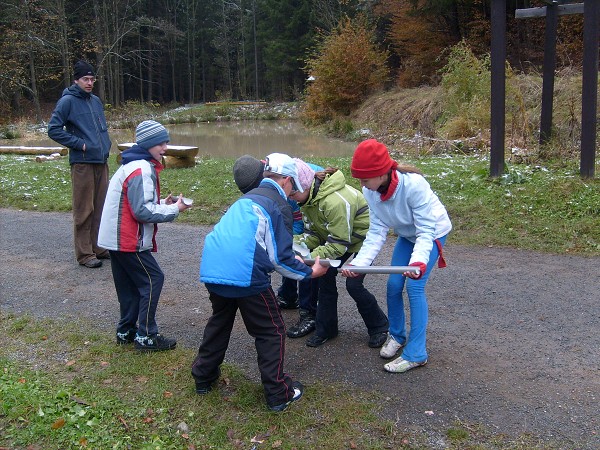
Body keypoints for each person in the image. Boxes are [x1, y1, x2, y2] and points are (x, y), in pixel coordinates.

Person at [192, 153, 327, 412]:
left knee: (220, 322)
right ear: (287, 180)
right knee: (271, 331)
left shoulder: (245, 199)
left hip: (214, 268)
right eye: (294, 186)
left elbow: (260, 240)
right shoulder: (279, 204)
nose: (293, 192)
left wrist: (289, 256)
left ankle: (203, 377)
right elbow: (281, 260)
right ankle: (278, 393)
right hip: (245, 275)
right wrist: (311, 273)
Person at [341, 139, 452, 373]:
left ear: (381, 173)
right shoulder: (370, 191)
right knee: (393, 286)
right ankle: (397, 336)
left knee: (414, 288)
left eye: (364, 179)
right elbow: (376, 231)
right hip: (407, 234)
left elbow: (425, 230)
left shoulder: (413, 185)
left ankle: (416, 354)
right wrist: (359, 264)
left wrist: (418, 262)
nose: (361, 184)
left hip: (431, 233)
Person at [98, 120, 191, 351]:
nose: (165, 148)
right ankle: (146, 335)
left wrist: (161, 203)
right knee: (153, 279)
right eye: (161, 143)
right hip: (128, 239)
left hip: (114, 238)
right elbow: (141, 211)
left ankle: (125, 330)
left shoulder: (131, 165)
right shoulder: (141, 169)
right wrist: (173, 209)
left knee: (128, 285)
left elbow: (135, 204)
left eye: (166, 142)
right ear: (148, 144)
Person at [290, 158, 389, 349]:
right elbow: (312, 234)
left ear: (305, 186)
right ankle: (327, 329)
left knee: (354, 284)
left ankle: (379, 327)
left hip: (362, 241)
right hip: (340, 238)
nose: (291, 197)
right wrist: (292, 244)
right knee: (323, 277)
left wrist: (309, 257)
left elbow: (338, 245)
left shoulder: (334, 202)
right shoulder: (309, 200)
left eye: (293, 192)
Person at [232, 155, 321, 339]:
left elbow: (296, 224)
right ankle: (288, 296)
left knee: (297, 255)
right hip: (297, 212)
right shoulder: (270, 179)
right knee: (284, 251)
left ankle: (309, 313)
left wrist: (285, 244)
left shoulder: (288, 186)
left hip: (315, 211)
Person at [48, 60, 112, 268]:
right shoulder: (67, 101)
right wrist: (80, 145)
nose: (89, 82)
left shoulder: (95, 101)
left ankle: (99, 247)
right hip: (82, 163)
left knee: (101, 207)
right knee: (84, 209)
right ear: (76, 80)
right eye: (86, 79)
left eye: (92, 79)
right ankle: (85, 254)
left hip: (101, 161)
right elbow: (54, 129)